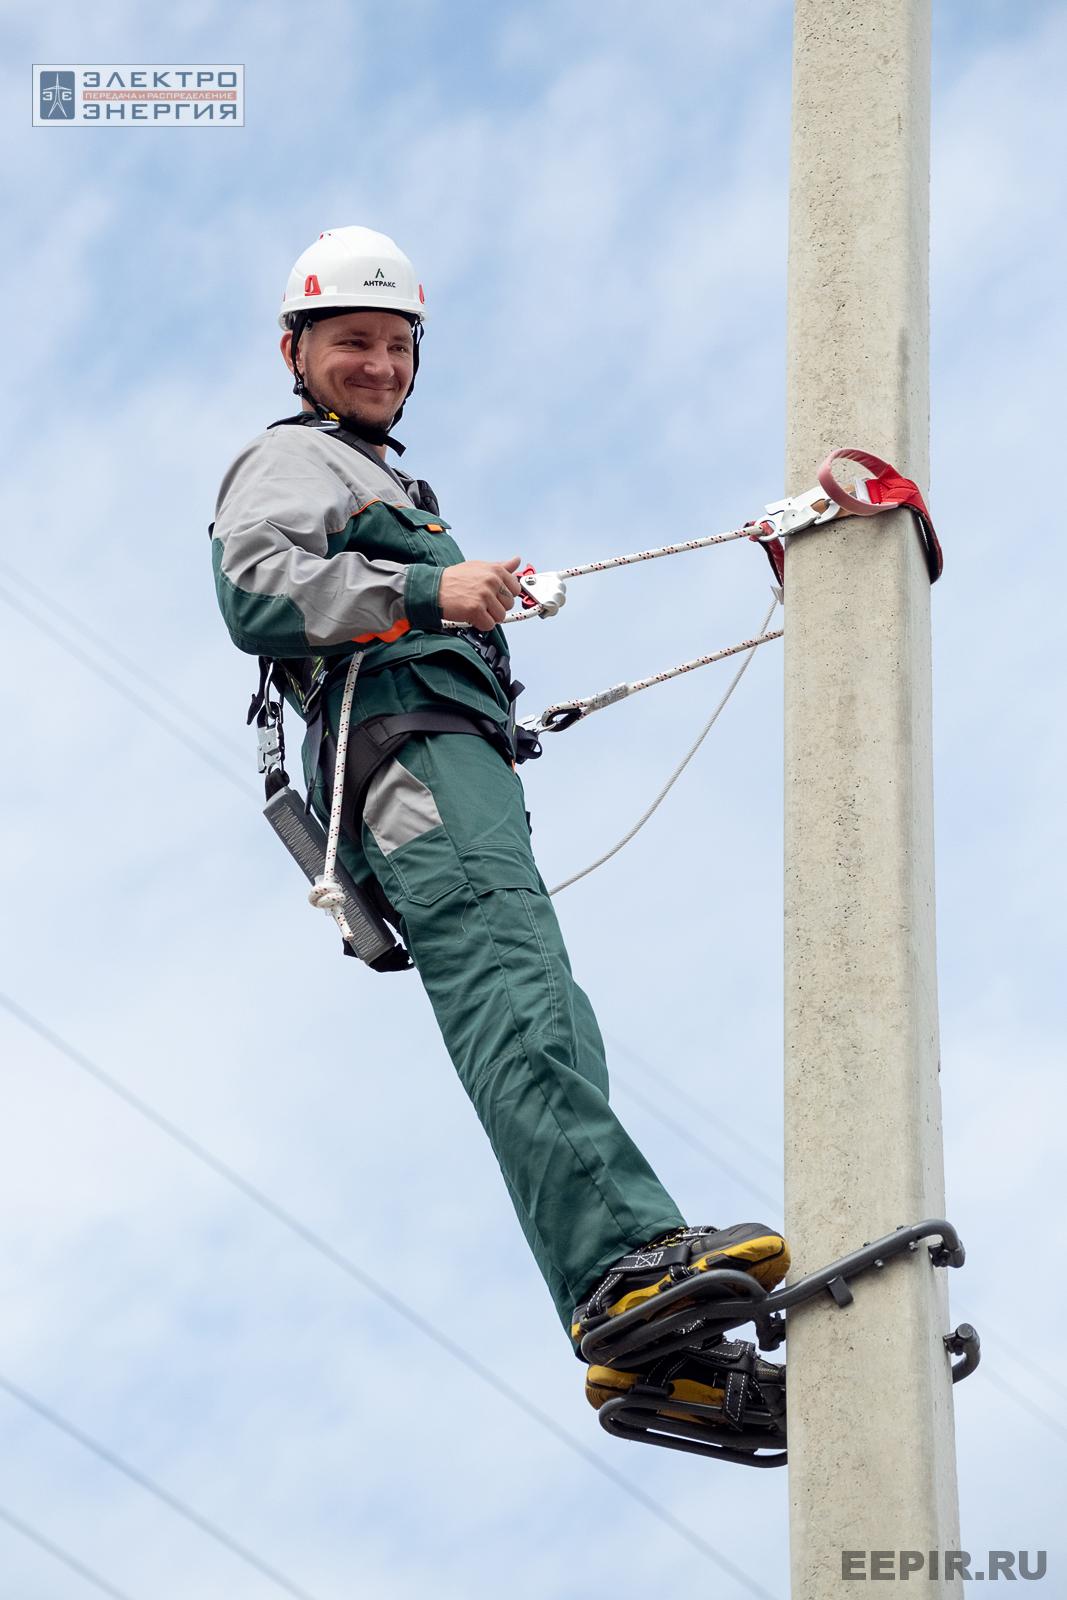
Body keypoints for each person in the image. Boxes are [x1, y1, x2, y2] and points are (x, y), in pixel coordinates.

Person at [210, 225, 790, 1424]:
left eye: (394, 344)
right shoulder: (292, 460)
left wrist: (454, 595)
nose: (376, 363)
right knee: (516, 1001)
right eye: (351, 341)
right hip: (413, 766)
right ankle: (624, 1266)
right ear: (295, 350)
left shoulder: (382, 483)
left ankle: (650, 1356)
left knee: (545, 1014)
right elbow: (254, 587)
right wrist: (430, 587)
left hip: (451, 768)